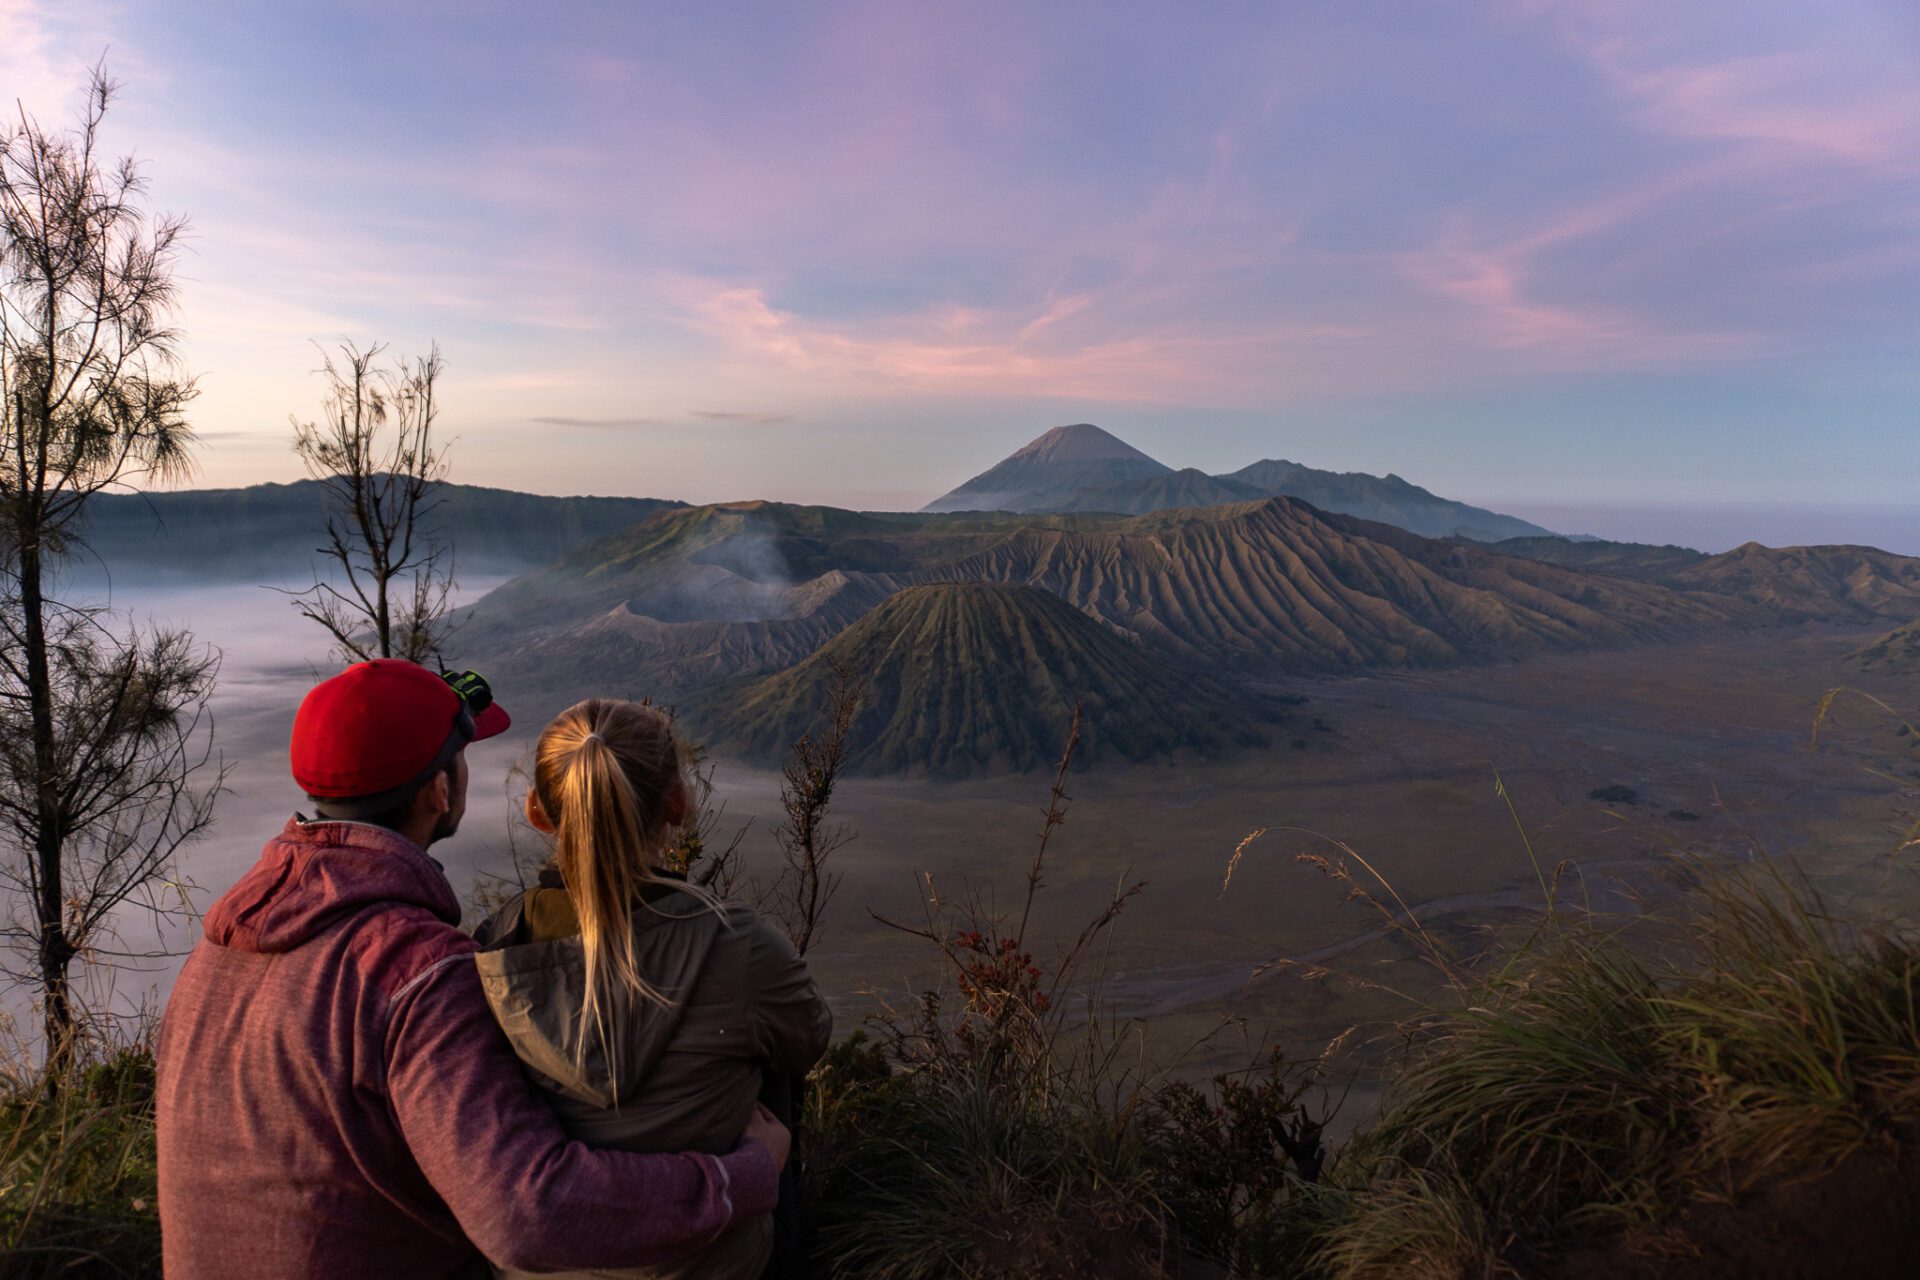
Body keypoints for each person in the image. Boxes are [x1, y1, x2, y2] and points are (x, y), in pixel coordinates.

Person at [156, 661, 789, 1279]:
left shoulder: (217, 946)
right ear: (439, 792)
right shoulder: (415, 973)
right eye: (462, 759)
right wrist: (748, 1174)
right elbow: (527, 1216)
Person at [472, 698, 833, 1280]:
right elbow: (809, 1036)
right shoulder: (735, 943)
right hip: (716, 1262)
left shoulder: (497, 949)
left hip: (539, 1266)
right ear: (677, 804)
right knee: (772, 1058)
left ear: (537, 813)